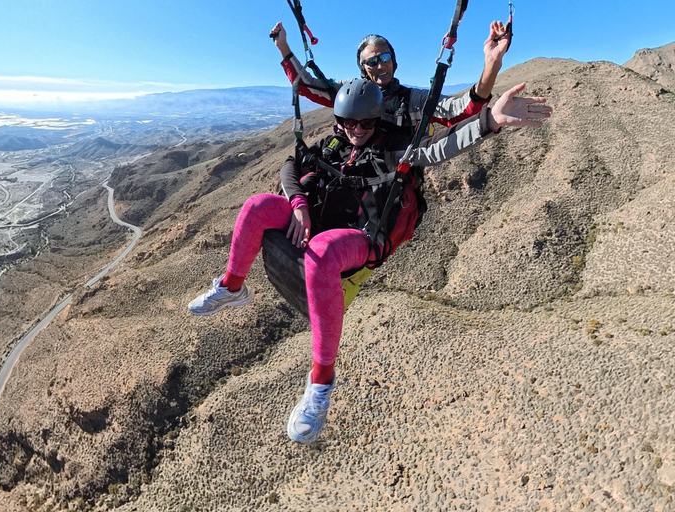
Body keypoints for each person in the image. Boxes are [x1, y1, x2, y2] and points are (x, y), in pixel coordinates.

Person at [188, 78, 551, 444]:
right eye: (350, 123)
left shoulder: (394, 147)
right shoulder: (333, 142)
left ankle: (321, 382)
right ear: (339, 121)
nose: (357, 131)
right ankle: (232, 287)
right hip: (316, 219)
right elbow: (290, 165)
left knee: (322, 255)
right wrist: (298, 205)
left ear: (377, 120)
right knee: (257, 206)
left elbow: (439, 148)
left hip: (361, 236)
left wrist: (489, 120)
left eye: (365, 124)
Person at [269, 21, 511, 138]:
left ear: (394, 62)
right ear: (363, 69)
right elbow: (307, 85)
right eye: (372, 62)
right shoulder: (350, 93)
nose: (380, 65)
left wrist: (492, 64)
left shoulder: (413, 100)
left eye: (385, 57)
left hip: (388, 193)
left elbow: (462, 110)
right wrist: (284, 48)